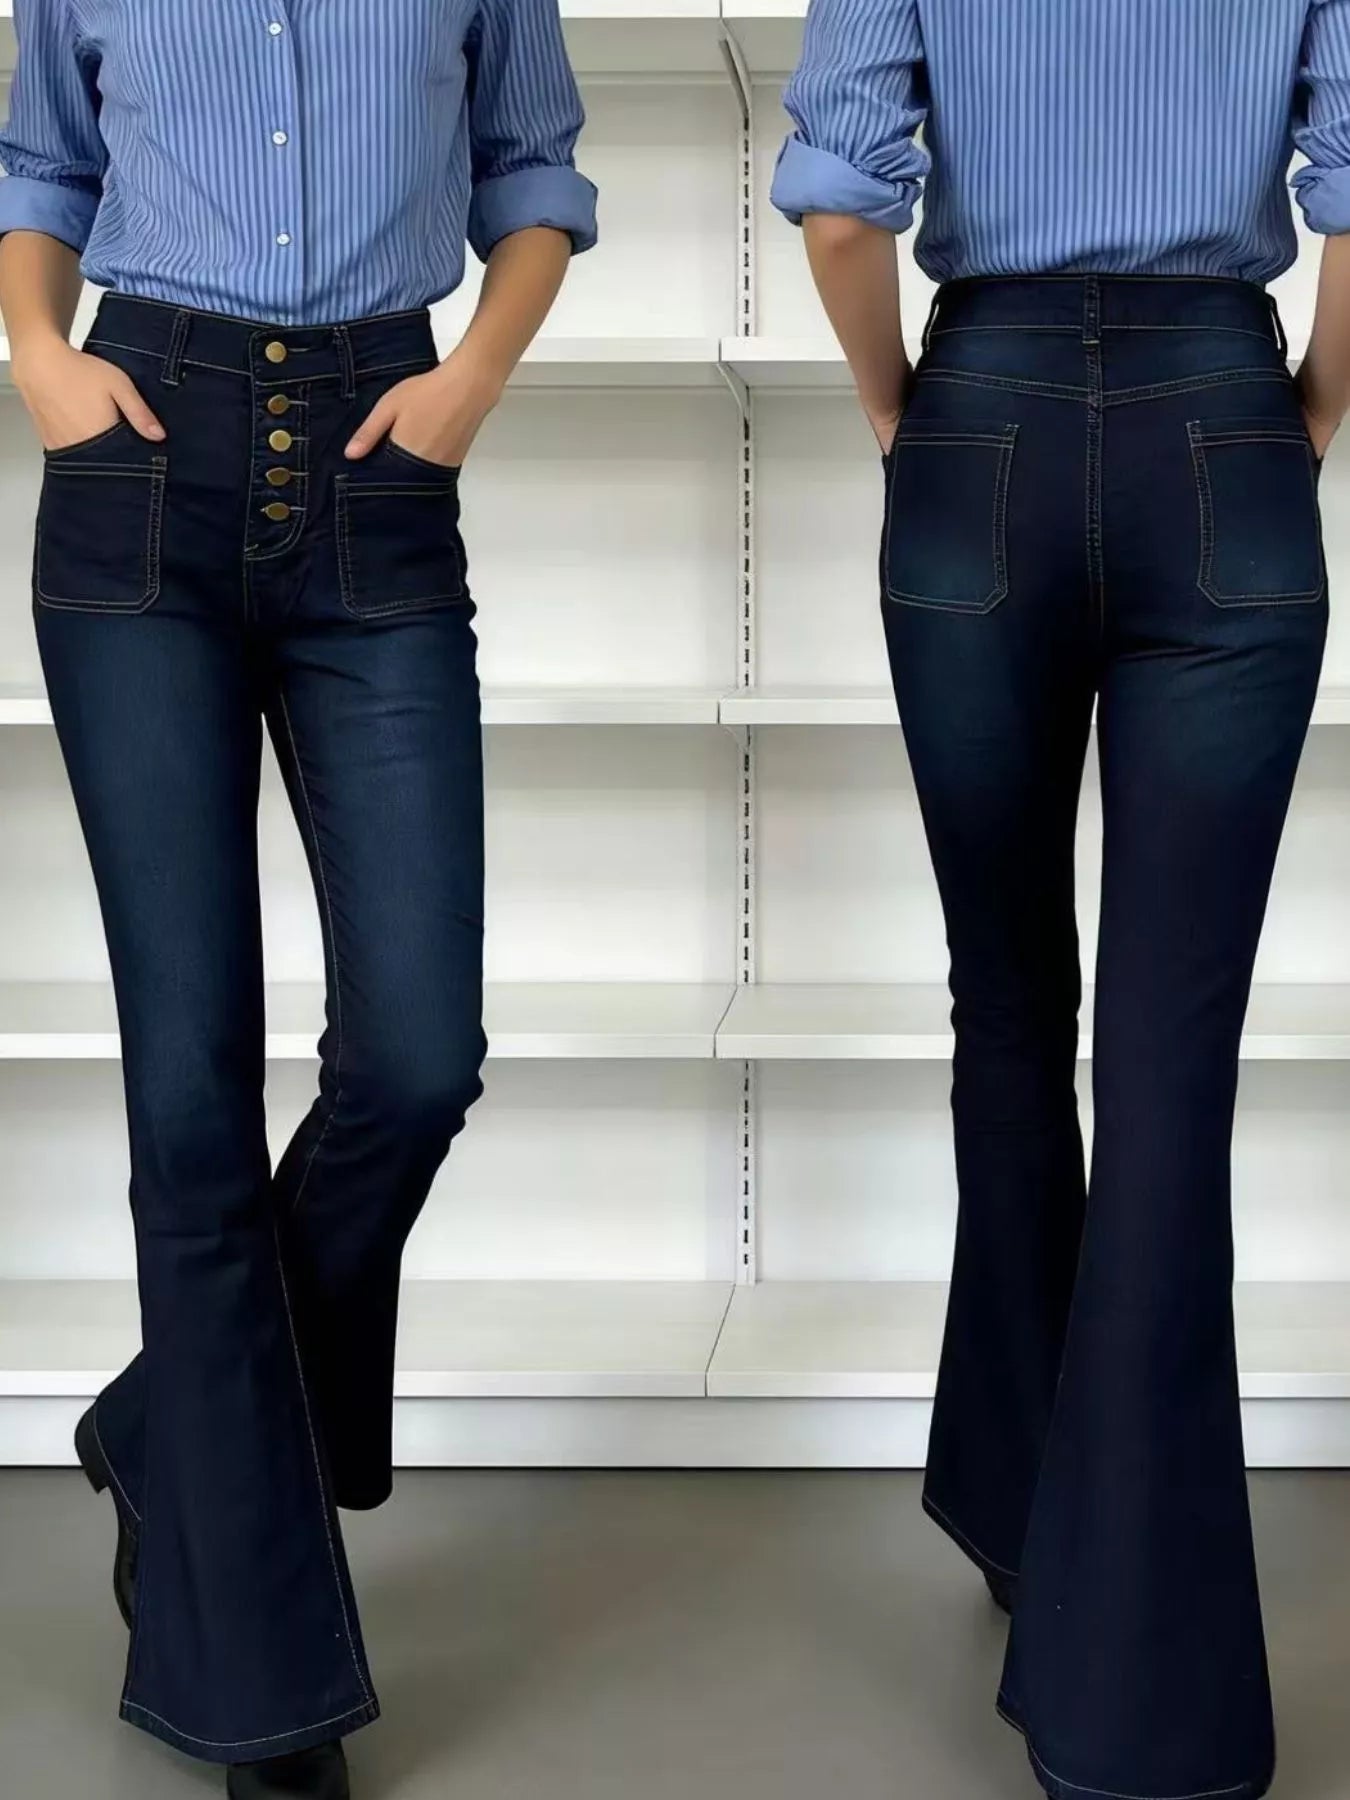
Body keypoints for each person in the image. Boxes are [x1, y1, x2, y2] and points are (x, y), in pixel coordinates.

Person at [0, 3, 596, 1795]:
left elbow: (534, 168)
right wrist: (37, 350)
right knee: (188, 1098)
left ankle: (171, 1424)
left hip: (377, 467)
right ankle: (254, 1687)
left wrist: (468, 383)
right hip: (136, 469)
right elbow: (40, 163)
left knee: (418, 1056)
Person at [774, 4, 1350, 1799]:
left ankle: (1030, 1514)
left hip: (981, 421)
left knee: (1006, 1007)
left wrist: (895, 407)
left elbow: (843, 212)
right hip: (1222, 426)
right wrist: (1304, 414)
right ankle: (1146, 1703)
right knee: (1168, 1071)